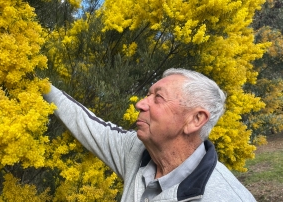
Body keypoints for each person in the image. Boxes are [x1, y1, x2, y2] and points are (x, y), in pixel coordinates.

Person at [44, 68, 256, 202]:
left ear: (195, 120)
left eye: (158, 98)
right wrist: (37, 83)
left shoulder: (224, 197)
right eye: (148, 94)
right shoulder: (135, 151)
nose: (140, 103)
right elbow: (86, 123)